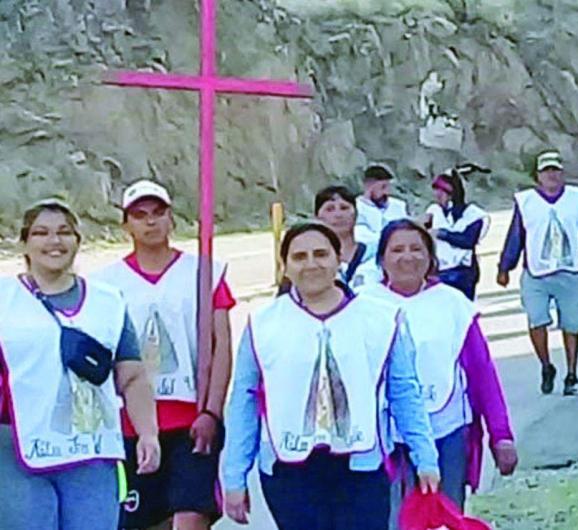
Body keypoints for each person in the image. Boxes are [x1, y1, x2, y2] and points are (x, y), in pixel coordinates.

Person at [223, 222, 440, 530]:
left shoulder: (379, 319)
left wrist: (425, 458)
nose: (311, 264)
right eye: (299, 257)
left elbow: (404, 392)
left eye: (321, 254)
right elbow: (244, 401)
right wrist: (235, 476)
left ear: (339, 259)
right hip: (289, 471)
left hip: (362, 466)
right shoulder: (263, 325)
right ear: (285, 266)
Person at [0, 199, 160, 530]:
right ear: (25, 242)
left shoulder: (108, 302)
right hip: (15, 449)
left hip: (91, 449)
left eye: (64, 233)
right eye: (41, 233)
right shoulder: (5, 298)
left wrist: (148, 432)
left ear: (77, 240)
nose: (53, 241)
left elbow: (131, 375)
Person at [93, 180, 235, 530]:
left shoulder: (205, 273)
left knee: (190, 515)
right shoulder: (106, 285)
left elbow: (221, 347)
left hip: (190, 418)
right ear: (126, 224)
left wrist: (212, 412)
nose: (150, 222)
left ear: (171, 218)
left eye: (158, 213)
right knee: (141, 519)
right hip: (131, 424)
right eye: (140, 215)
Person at [362, 219, 517, 513]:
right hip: (384, 435)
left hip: (447, 430)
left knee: (444, 515)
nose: (407, 257)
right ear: (382, 259)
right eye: (397, 250)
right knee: (390, 515)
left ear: (431, 258)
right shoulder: (365, 305)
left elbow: (482, 372)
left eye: (416, 249)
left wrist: (501, 434)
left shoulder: (452, 303)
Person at [497, 151, 578, 396]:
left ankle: (571, 373)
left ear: (561, 173)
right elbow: (516, 236)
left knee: (572, 323)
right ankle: (546, 365)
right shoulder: (525, 201)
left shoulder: (576, 198)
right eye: (546, 171)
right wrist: (505, 267)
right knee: (537, 319)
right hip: (537, 272)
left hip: (570, 270)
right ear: (538, 176)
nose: (551, 175)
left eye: (555, 170)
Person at [423, 166, 490, 300]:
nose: (438, 197)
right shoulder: (434, 211)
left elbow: (468, 241)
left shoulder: (474, 215)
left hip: (463, 272)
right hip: (439, 271)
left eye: (441, 193)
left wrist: (442, 234)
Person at [355, 164, 410, 244]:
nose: (386, 192)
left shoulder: (399, 205)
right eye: (383, 187)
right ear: (369, 186)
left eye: (388, 187)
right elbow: (359, 235)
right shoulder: (356, 207)